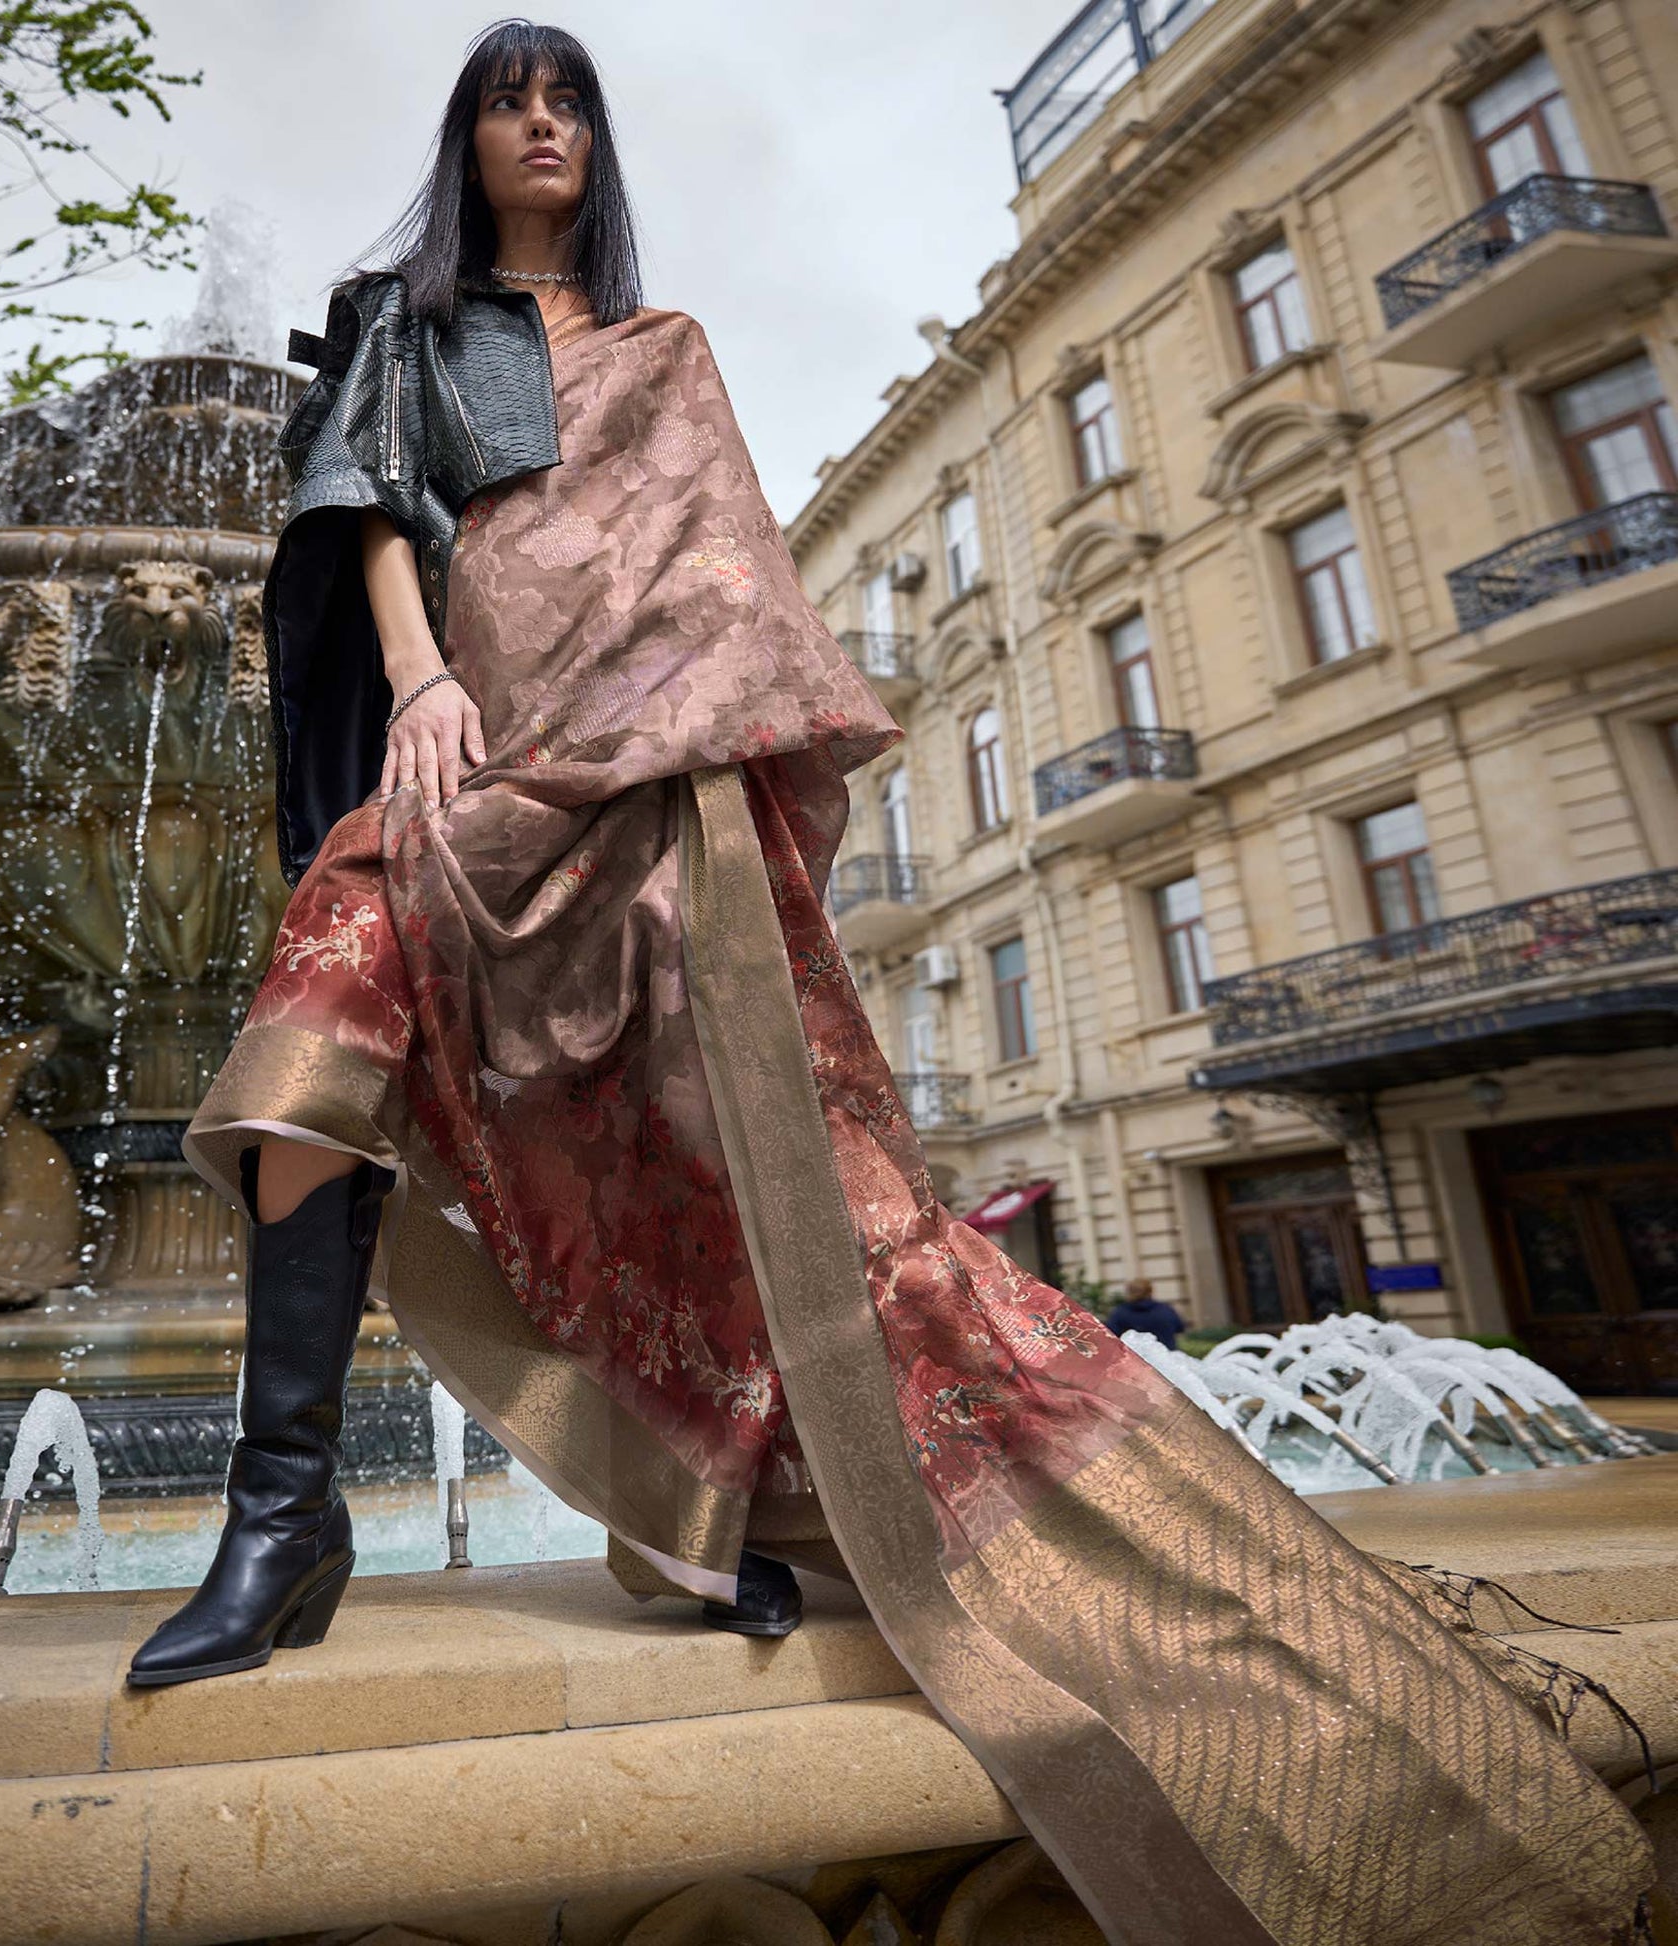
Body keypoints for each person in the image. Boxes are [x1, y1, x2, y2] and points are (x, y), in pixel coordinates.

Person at [127, 19, 1651, 1942]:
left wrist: (680, 755)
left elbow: (721, 581)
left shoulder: (665, 349)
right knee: (304, 1057)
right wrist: (422, 681)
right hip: (469, 759)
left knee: (730, 1169)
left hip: (656, 778)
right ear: (467, 136)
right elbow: (361, 506)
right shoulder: (408, 331)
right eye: (510, 99)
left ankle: (714, 1513)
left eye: (570, 98)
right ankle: (283, 1514)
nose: (543, 124)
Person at [1106, 1278, 1186, 1351]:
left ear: (1130, 1292)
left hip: (1136, 1359)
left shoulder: (1120, 1313)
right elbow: (1180, 1328)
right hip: (1165, 1357)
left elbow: (1110, 1335)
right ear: (1150, 1292)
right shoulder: (1166, 1310)